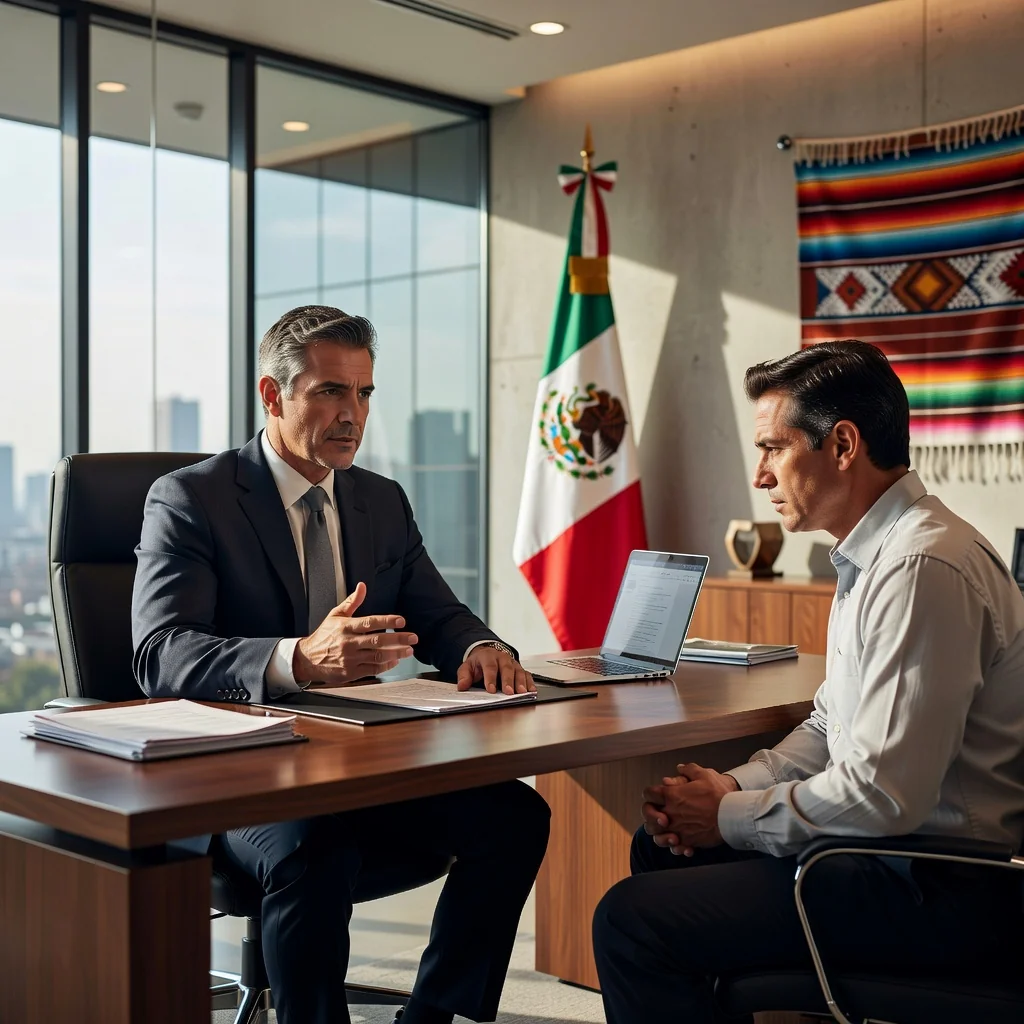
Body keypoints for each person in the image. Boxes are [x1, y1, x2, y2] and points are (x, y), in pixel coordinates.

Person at [131, 305, 550, 1024]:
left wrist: (482, 648)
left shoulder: (379, 500)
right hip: (237, 778)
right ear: (273, 396)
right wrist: (298, 659)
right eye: (329, 391)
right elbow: (160, 652)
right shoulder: (192, 499)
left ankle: (431, 1017)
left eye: (363, 393)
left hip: (358, 760)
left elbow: (437, 612)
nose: (351, 413)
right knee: (317, 850)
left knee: (515, 816)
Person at [592, 340, 1024, 1023]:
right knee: (660, 848)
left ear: (843, 445)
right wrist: (733, 787)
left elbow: (885, 796)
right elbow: (831, 726)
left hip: (938, 888)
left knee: (630, 922)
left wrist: (729, 818)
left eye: (772, 448)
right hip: (882, 861)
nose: (760, 474)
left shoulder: (921, 568)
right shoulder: (874, 556)